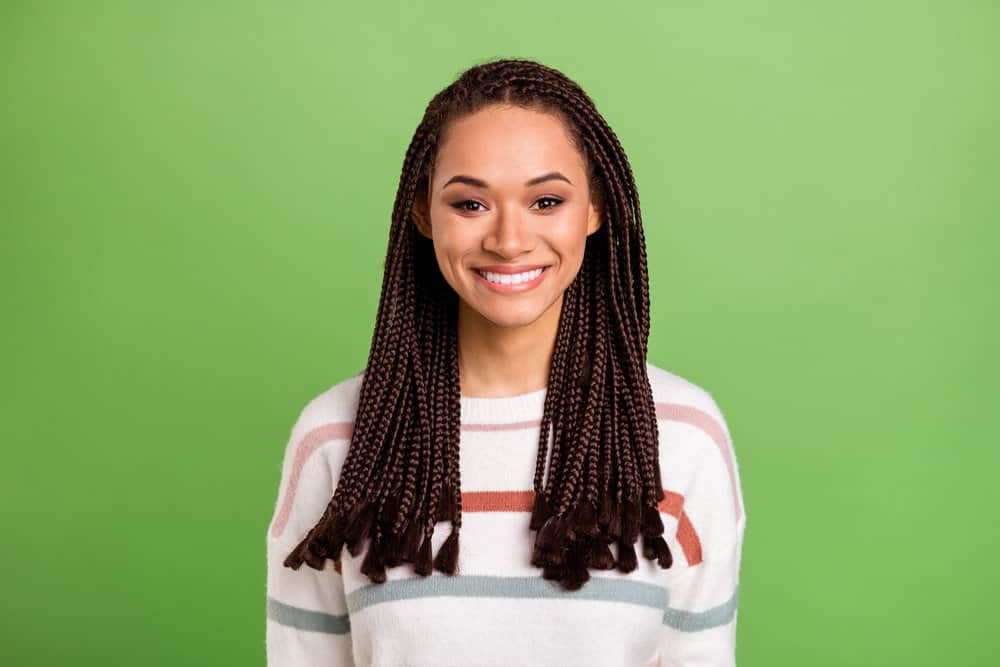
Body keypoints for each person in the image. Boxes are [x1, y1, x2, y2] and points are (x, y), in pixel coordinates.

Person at [265, 58, 746, 666]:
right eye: (470, 204)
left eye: (546, 201)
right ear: (422, 214)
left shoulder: (682, 437)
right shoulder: (341, 441)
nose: (509, 239)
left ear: (595, 209)